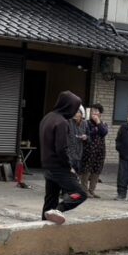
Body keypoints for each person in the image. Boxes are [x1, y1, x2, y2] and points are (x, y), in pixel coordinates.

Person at [39, 90, 88, 225]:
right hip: (59, 167)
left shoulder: (48, 117)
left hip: (48, 166)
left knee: (50, 198)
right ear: (68, 106)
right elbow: (61, 148)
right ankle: (59, 209)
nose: (74, 111)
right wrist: (69, 166)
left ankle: (43, 226)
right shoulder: (61, 122)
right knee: (80, 194)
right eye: (74, 108)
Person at [81, 104, 109, 197]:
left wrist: (98, 123)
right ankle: (84, 190)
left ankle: (92, 190)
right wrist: (96, 128)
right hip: (89, 150)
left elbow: (104, 132)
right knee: (86, 169)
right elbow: (88, 134)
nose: (94, 113)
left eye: (96, 111)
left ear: (100, 113)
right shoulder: (86, 123)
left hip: (100, 150)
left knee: (96, 170)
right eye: (92, 111)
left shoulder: (103, 124)